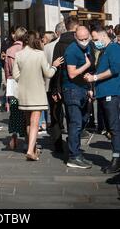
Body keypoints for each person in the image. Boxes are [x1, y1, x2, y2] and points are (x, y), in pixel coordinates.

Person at [13, 31, 63, 160]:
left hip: (23, 93)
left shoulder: (19, 55)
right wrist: (55, 66)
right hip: (37, 92)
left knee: (29, 122)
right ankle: (30, 150)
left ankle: (33, 148)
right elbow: (48, 74)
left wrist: (25, 78)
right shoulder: (40, 54)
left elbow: (16, 75)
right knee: (35, 122)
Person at [84, 28, 120, 174]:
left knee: (114, 127)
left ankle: (117, 159)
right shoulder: (106, 50)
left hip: (111, 93)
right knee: (111, 128)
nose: (94, 42)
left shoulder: (113, 48)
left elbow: (115, 69)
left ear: (103, 35)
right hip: (104, 93)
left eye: (94, 38)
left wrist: (95, 78)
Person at [63, 26, 95, 169]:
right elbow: (72, 73)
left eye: (86, 38)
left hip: (82, 88)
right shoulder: (72, 50)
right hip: (72, 90)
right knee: (76, 123)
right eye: (81, 39)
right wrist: (87, 64)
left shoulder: (88, 47)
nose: (84, 41)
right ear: (75, 37)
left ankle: (74, 147)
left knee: (83, 120)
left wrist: (89, 88)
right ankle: (73, 156)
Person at [48, 16, 79, 153]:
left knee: (55, 114)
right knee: (73, 116)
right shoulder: (78, 44)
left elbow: (55, 68)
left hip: (55, 85)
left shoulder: (54, 46)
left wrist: (55, 89)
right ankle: (73, 143)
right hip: (74, 85)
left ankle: (58, 144)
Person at [4, 27, 27, 149]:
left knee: (14, 108)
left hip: (13, 84)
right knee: (26, 110)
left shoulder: (9, 51)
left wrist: (9, 82)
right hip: (26, 83)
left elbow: (7, 70)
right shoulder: (27, 49)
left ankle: (14, 134)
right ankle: (27, 138)